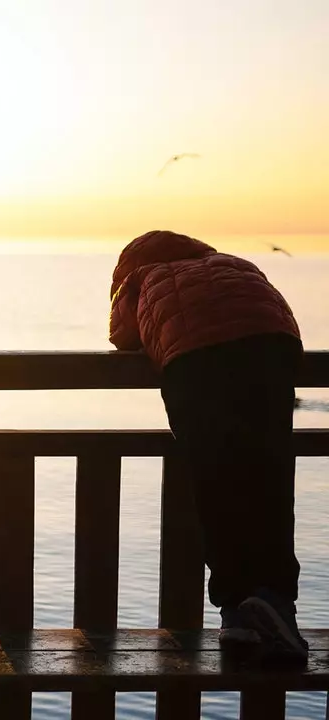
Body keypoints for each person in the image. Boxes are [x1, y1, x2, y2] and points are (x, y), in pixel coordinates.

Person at [109, 230, 305, 661]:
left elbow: (121, 335)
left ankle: (236, 613)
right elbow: (275, 309)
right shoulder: (235, 263)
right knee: (269, 477)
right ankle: (276, 605)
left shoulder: (142, 279)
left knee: (215, 482)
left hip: (196, 361)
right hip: (269, 349)